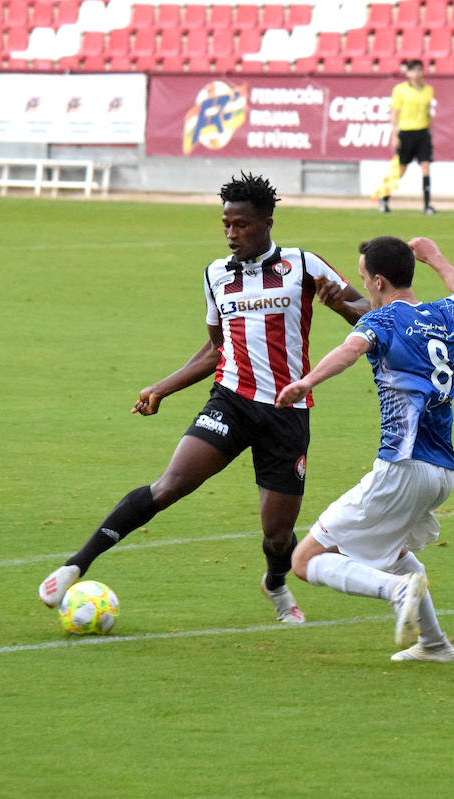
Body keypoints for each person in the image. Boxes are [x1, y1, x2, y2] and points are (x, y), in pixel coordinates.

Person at [37, 172, 369, 622]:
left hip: (286, 413)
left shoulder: (304, 265)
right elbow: (217, 349)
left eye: (242, 225)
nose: (232, 234)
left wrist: (342, 303)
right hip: (230, 400)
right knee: (168, 486)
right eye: (226, 224)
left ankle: (274, 583)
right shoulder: (216, 275)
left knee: (277, 536)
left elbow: (374, 319)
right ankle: (77, 563)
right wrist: (161, 388)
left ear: (267, 222)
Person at [275, 236, 454, 662]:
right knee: (398, 553)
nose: (365, 286)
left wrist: (308, 382)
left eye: (365, 279)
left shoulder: (383, 321)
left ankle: (396, 592)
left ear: (380, 281)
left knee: (305, 559)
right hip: (442, 472)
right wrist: (436, 257)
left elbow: (351, 350)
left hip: (402, 468)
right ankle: (435, 645)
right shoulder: (444, 315)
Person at [377, 59, 437, 216]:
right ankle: (384, 197)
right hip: (406, 132)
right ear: (408, 73)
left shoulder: (428, 90)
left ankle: (427, 205)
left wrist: (430, 129)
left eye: (419, 70)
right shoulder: (400, 90)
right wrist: (394, 134)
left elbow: (428, 111)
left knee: (426, 166)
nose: (417, 73)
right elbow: (394, 112)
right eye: (413, 70)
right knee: (401, 168)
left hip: (423, 133)